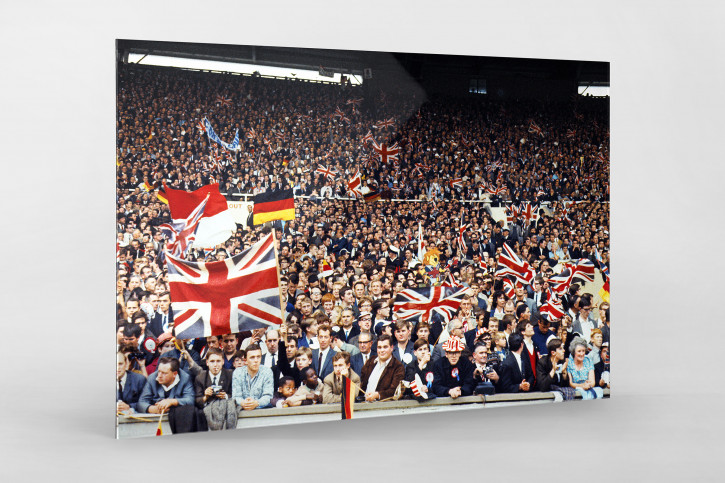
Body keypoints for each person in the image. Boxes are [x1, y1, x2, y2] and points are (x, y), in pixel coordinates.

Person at [193, 348, 237, 430]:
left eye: (218, 361)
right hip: (207, 414)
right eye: (212, 361)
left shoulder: (230, 375)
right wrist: (205, 397)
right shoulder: (200, 378)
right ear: (207, 362)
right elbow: (196, 400)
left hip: (225, 411)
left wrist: (226, 396)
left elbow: (236, 394)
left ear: (223, 361)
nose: (215, 365)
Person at [360, 334, 405, 402]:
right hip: (364, 404)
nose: (382, 350)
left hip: (382, 407)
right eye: (379, 347)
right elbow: (362, 383)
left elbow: (394, 391)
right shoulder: (371, 361)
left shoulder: (398, 367)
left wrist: (378, 395)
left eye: (385, 347)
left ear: (391, 348)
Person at [232, 343, 274, 410]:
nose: (256, 360)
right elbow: (236, 396)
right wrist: (243, 403)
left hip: (262, 413)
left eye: (258, 357)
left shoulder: (267, 372)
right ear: (245, 361)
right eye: (252, 357)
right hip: (242, 413)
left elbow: (268, 396)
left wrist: (256, 403)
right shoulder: (237, 373)